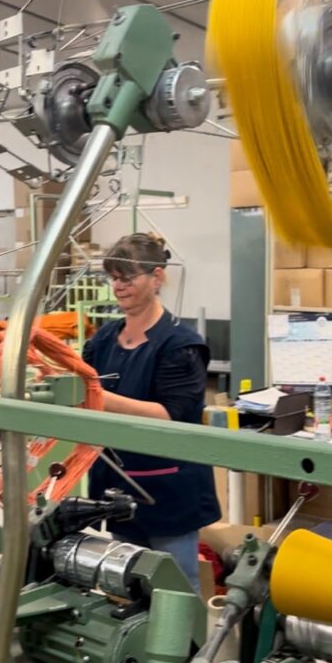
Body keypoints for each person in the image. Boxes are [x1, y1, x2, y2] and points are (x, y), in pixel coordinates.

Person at [82, 233, 221, 592]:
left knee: (175, 589)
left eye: (128, 277)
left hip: (168, 489)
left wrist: (96, 395)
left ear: (156, 278)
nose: (118, 286)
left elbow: (168, 415)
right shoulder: (102, 340)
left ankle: (187, 650)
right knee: (125, 584)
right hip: (116, 485)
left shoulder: (181, 345)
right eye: (113, 277)